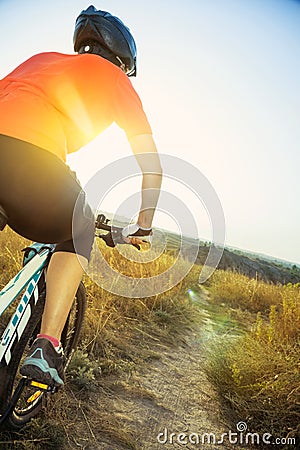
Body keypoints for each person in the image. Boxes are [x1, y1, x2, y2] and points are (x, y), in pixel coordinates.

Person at [0, 5, 162, 386]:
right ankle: (47, 346)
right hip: (35, 165)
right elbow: (152, 167)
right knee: (79, 224)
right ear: (122, 58)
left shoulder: (40, 60)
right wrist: (143, 225)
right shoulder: (115, 79)